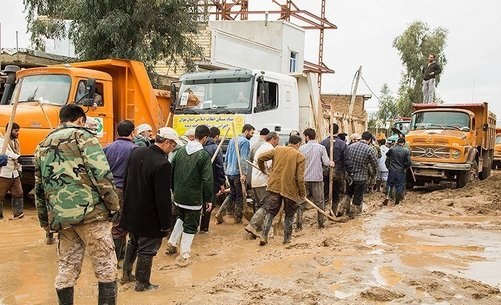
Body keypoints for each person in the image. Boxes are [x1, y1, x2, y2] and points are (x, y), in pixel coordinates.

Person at [34, 104, 120, 304]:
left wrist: (44, 221)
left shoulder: (43, 144)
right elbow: (101, 174)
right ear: (81, 120)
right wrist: (113, 205)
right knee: (105, 267)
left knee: (67, 267)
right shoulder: (83, 136)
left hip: (61, 218)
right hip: (91, 214)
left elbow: (39, 188)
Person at [119, 127, 181, 291]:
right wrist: (165, 223)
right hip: (149, 215)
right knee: (147, 249)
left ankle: (125, 275)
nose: (172, 149)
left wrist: (126, 206)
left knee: (133, 242)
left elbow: (126, 181)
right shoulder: (163, 164)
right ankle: (142, 283)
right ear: (167, 142)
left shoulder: (137, 152)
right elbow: (163, 198)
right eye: (173, 146)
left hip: (132, 210)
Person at [166, 125, 213, 266]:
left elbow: (171, 171)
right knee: (191, 225)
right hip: (193, 196)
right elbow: (207, 179)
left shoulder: (179, 151)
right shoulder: (203, 155)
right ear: (204, 138)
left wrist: (173, 189)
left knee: (181, 217)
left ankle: (172, 243)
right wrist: (208, 199)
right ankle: (184, 255)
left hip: (178, 195)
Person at [257, 134, 305, 245]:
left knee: (271, 212)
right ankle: (287, 239)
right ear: (298, 144)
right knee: (289, 214)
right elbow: (300, 178)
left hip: (275, 187)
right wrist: (302, 193)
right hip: (290, 190)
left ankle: (264, 236)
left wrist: (263, 170)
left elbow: (260, 158)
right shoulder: (299, 156)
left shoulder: (277, 149)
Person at [103, 120, 137, 262]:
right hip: (124, 189)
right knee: (121, 224)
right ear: (132, 133)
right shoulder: (135, 149)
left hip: (108, 189)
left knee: (112, 222)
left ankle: (118, 254)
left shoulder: (107, 148)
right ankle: (116, 259)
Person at [215, 124, 255, 224]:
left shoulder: (233, 140)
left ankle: (220, 212)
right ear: (246, 131)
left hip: (229, 171)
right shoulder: (245, 142)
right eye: (252, 132)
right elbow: (243, 159)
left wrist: (227, 169)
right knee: (239, 196)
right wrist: (244, 174)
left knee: (232, 194)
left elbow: (227, 156)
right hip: (238, 172)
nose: (252, 135)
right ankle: (238, 218)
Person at [244, 132, 280, 238]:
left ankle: (253, 234)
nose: (278, 143)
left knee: (259, 206)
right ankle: (252, 226)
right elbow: (269, 167)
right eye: (277, 141)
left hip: (255, 181)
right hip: (263, 181)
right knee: (267, 206)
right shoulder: (269, 149)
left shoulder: (262, 147)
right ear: (273, 139)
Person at [297, 128, 333, 229]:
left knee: (301, 203)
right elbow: (326, 162)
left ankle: (299, 225)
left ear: (307, 137)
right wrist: (331, 163)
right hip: (317, 178)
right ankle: (321, 224)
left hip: (304, 178)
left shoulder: (301, 148)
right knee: (319, 202)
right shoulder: (321, 148)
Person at [338, 131, 378, 218]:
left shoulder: (350, 147)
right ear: (370, 140)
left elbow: (345, 160)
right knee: (358, 196)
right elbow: (375, 163)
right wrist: (374, 174)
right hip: (361, 177)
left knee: (348, 193)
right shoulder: (369, 149)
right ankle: (353, 214)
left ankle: (342, 209)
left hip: (349, 176)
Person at [320, 123, 353, 216]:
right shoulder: (343, 144)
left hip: (325, 172)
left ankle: (324, 214)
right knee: (336, 195)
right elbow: (347, 161)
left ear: (328, 130)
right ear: (338, 131)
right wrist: (350, 173)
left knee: (325, 194)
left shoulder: (322, 143)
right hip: (338, 173)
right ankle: (333, 212)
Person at [200, 127, 225, 233]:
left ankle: (194, 226)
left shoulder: (200, 146)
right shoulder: (216, 148)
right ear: (217, 137)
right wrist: (222, 182)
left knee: (199, 203)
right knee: (210, 204)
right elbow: (219, 166)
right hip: (212, 181)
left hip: (199, 180)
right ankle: (204, 228)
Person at [0, 122, 24, 220]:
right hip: (4, 172)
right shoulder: (2, 141)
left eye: (18, 131)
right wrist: (17, 157)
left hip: (14, 172)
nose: (18, 133)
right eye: (16, 131)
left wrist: (20, 170)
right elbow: (4, 150)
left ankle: (18, 215)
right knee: (0, 195)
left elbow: (18, 154)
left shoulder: (16, 142)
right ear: (10, 131)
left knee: (19, 193)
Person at [384, 137, 411, 205]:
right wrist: (404, 167)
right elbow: (409, 163)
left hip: (392, 170)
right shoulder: (406, 151)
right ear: (403, 143)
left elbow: (387, 155)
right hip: (401, 171)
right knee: (399, 185)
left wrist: (389, 167)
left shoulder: (392, 149)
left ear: (397, 142)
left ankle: (387, 197)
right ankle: (397, 200)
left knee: (390, 184)